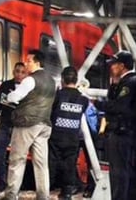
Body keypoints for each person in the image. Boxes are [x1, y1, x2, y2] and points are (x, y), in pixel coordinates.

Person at [2, 49, 56, 200]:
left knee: (17, 160)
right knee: (41, 163)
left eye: (29, 61)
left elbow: (15, 97)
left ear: (37, 63)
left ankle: (11, 195)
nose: (26, 64)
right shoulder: (52, 81)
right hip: (44, 124)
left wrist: (10, 96)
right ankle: (43, 196)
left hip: (27, 123)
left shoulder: (30, 80)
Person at [94, 50, 136, 200]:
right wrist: (114, 85)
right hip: (127, 133)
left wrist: (96, 103)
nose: (111, 68)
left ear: (122, 66)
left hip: (123, 133)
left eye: (114, 65)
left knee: (119, 173)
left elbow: (119, 106)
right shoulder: (128, 82)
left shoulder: (130, 82)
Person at [48, 66, 89, 200]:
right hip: (72, 138)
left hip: (56, 136)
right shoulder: (83, 99)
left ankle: (47, 189)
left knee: (51, 163)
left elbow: (50, 112)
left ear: (63, 79)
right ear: (76, 80)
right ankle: (66, 193)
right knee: (70, 165)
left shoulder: (57, 95)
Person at [0, 62, 26, 192]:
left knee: (16, 157)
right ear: (13, 72)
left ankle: (14, 185)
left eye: (22, 72)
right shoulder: (6, 86)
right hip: (5, 124)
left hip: (19, 127)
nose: (19, 74)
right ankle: (2, 182)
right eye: (17, 71)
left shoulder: (28, 88)